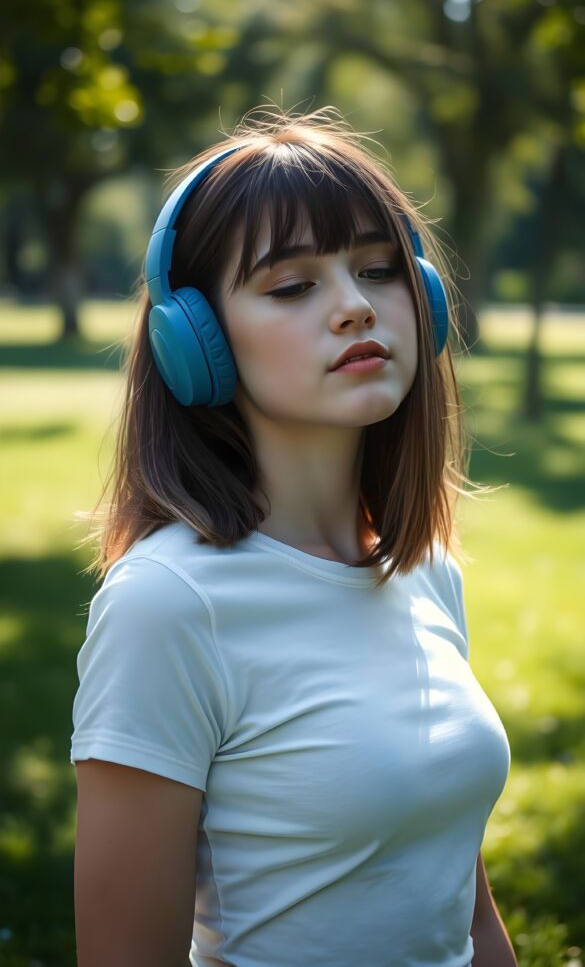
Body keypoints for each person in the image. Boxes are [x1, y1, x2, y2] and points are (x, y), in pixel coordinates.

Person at [70, 106, 517, 967]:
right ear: (195, 342)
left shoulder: (424, 570)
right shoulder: (168, 605)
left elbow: (460, 908)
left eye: (377, 270)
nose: (354, 307)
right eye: (292, 285)